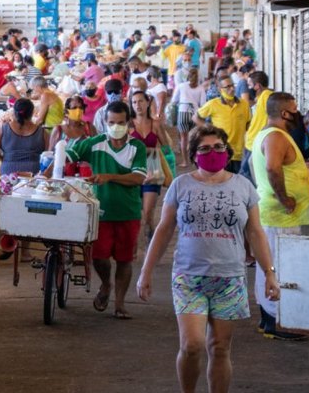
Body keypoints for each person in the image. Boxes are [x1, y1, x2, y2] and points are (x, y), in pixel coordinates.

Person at [137, 125, 281, 393]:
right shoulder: (181, 185)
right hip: (189, 277)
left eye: (218, 147)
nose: (212, 152)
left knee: (219, 347)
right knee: (191, 345)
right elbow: (164, 229)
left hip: (230, 278)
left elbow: (255, 231)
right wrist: (146, 271)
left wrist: (269, 272)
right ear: (194, 155)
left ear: (227, 151)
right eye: (204, 148)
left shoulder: (243, 186)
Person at [67, 101, 147, 319]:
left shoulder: (136, 147)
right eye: (112, 122)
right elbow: (67, 156)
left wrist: (109, 177)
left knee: (125, 260)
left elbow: (138, 178)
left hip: (128, 212)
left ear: (128, 122)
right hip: (100, 213)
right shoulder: (94, 143)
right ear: (105, 122)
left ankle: (119, 304)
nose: (116, 126)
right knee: (99, 257)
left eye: (121, 122)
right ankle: (105, 285)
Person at [250, 92, 309, 340]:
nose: (298, 113)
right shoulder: (275, 135)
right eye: (295, 109)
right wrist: (284, 198)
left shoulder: (267, 135)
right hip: (280, 216)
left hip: (274, 214)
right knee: (279, 268)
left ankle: (268, 320)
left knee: (268, 266)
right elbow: (272, 168)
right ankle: (278, 321)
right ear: (285, 113)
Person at [130, 91, 170, 245]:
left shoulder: (155, 124)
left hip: (153, 173)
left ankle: (150, 247)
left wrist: (169, 171)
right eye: (134, 102)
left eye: (140, 101)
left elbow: (166, 149)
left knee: (148, 214)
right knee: (135, 214)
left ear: (148, 103)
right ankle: (132, 247)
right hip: (133, 173)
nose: (137, 105)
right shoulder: (128, 125)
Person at [194, 75, 250, 174]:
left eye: (233, 85)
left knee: (238, 182)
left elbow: (248, 124)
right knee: (221, 181)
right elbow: (195, 117)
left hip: (239, 153)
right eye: (227, 87)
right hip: (221, 151)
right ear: (220, 89)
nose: (232, 88)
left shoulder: (243, 104)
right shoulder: (213, 104)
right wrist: (209, 128)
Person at [0, 98, 48, 176]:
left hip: (8, 175)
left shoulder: (4, 129)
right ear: (32, 113)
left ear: (14, 112)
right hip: (33, 174)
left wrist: (2, 158)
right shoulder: (42, 132)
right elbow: (48, 154)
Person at [240, 71, 273, 182]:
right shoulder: (261, 97)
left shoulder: (266, 96)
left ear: (257, 85)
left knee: (245, 176)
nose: (249, 88)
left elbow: (271, 118)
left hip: (255, 141)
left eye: (250, 85)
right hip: (251, 141)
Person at [171, 68, 206, 167]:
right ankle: (196, 160)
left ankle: (185, 161)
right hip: (195, 114)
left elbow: (174, 101)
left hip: (182, 112)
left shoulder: (181, 86)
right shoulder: (201, 88)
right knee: (195, 138)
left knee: (183, 138)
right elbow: (203, 104)